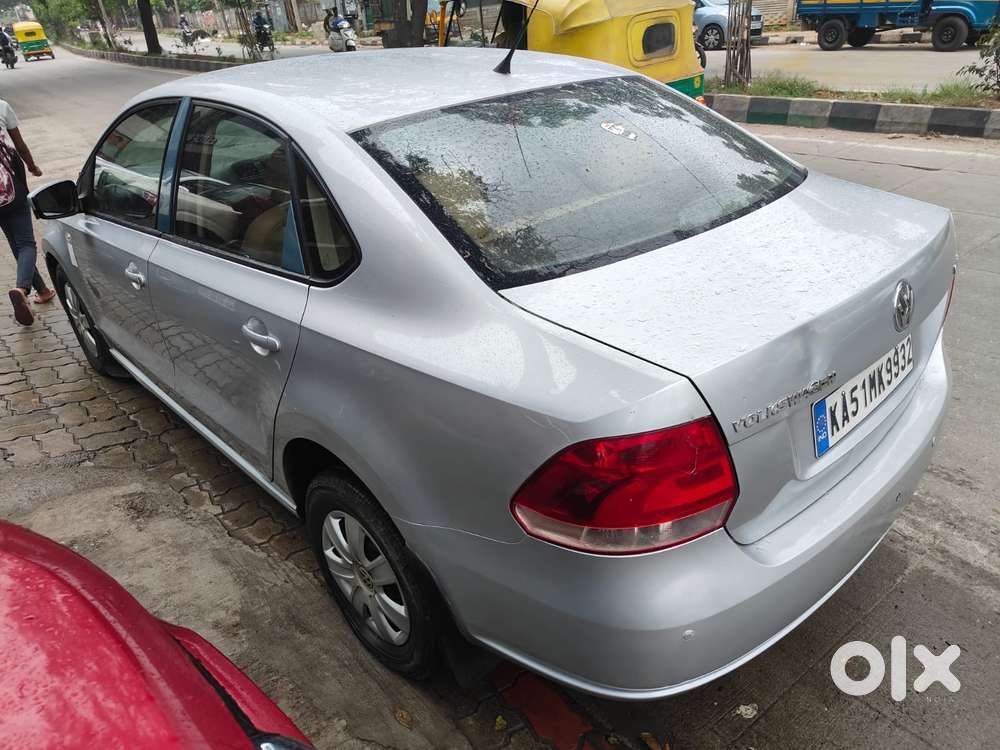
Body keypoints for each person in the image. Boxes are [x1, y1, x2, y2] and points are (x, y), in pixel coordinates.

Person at [0, 98, 54, 326]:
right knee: (25, 244)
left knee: (15, 241)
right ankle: (22, 289)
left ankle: (42, 290)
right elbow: (19, 145)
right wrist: (32, 166)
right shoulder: (2, 106)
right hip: (10, 188)